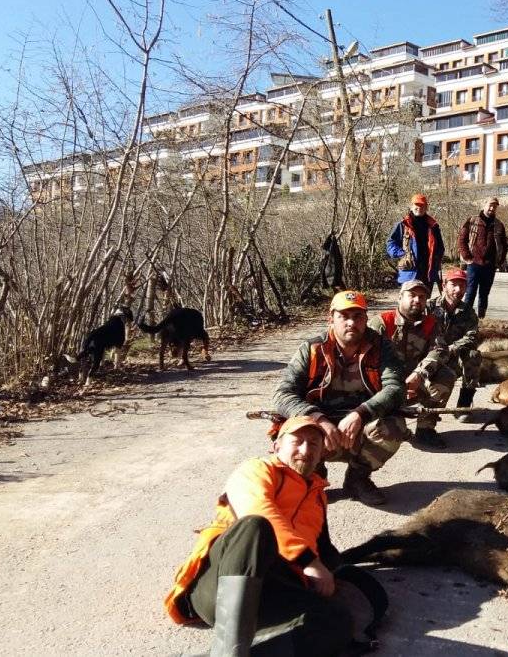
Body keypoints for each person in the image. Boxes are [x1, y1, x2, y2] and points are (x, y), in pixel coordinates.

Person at [164, 416, 358, 656]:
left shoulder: (318, 496)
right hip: (222, 585)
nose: (305, 450)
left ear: (321, 455)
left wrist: (335, 576)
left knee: (336, 621)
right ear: (277, 447)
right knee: (255, 526)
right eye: (297, 441)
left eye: (314, 444)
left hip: (272, 592)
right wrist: (308, 561)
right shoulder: (257, 469)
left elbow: (325, 550)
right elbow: (256, 509)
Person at [273, 290, 405, 506]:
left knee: (393, 427)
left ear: (365, 318)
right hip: (319, 427)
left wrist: (361, 414)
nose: (351, 323)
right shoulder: (312, 349)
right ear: (331, 319)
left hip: (360, 426)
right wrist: (319, 420)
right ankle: (312, 478)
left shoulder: (381, 346)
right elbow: (282, 394)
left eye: (357, 316)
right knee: (290, 433)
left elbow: (396, 388)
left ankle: (357, 479)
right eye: (344, 316)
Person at [376, 280, 454, 450]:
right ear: (400, 297)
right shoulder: (383, 322)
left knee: (446, 375)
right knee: (385, 432)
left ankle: (425, 429)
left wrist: (420, 373)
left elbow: (440, 350)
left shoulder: (430, 324)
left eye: (422, 297)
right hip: (383, 383)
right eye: (412, 295)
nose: (417, 300)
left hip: (414, 381)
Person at [427, 268, 481, 409]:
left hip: (453, 354)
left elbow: (472, 336)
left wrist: (452, 348)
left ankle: (464, 403)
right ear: (444, 286)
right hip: (429, 354)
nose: (458, 290)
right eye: (454, 285)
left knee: (473, 355)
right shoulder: (429, 307)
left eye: (462, 286)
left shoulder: (468, 312)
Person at [457, 196, 508, 318]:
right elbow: (461, 240)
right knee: (470, 293)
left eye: (494, 206)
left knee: (484, 294)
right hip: (474, 264)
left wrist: (499, 261)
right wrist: (467, 257)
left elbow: (504, 245)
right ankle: (465, 319)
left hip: (490, 265)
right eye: (490, 205)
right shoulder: (472, 221)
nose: (492, 208)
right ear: (483, 205)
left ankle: (481, 319)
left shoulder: (499, 225)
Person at [387, 193, 445, 293]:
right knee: (408, 301)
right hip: (409, 272)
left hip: (428, 272)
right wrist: (402, 254)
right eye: (416, 205)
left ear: (426, 207)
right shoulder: (402, 225)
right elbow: (390, 244)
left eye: (422, 205)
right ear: (411, 206)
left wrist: (436, 260)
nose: (419, 207)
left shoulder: (433, 226)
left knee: (425, 302)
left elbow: (440, 247)